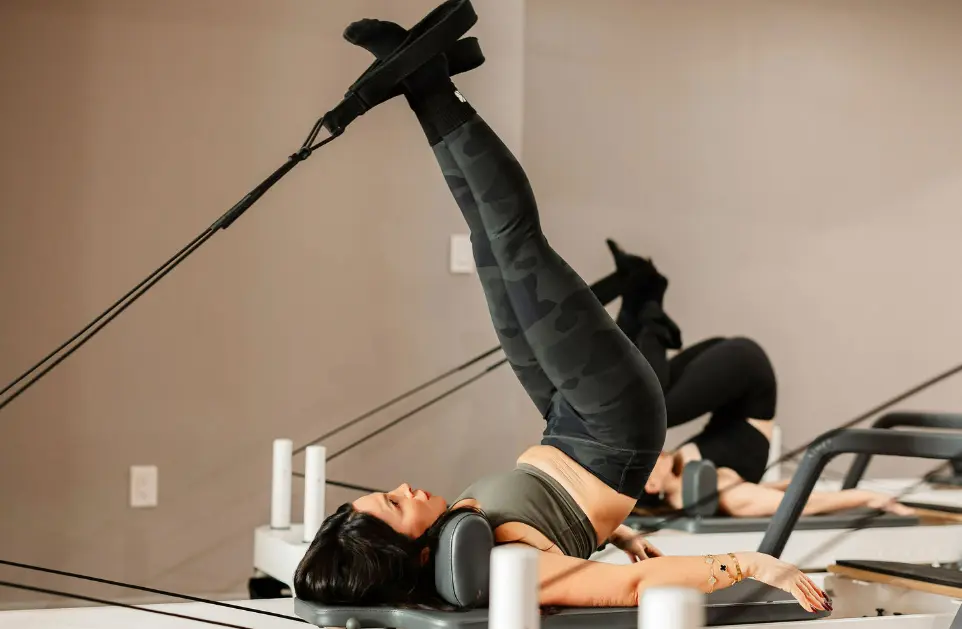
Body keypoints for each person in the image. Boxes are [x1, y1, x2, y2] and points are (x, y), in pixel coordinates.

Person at [292, 16, 830, 615]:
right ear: (407, 553)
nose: (402, 488)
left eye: (384, 494)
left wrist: (615, 532)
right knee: (517, 240)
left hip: (563, 422)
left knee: (488, 246)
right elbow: (631, 588)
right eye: (394, 506)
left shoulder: (455, 535)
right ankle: (428, 85)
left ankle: (426, 84)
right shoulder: (499, 569)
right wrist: (757, 564)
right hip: (611, 424)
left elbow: (562, 519)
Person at [605, 240, 913, 518]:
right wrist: (867, 497)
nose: (653, 450)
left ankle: (639, 298)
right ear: (652, 486)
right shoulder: (709, 494)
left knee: (635, 397)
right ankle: (646, 296)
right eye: (645, 460)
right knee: (650, 409)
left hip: (731, 377)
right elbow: (787, 503)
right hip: (748, 375)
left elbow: (775, 490)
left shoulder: (690, 479)